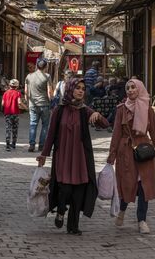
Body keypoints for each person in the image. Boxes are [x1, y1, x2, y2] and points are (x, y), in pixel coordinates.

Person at [36, 78, 108, 235]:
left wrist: (97, 115)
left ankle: (73, 226)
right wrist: (44, 154)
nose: (81, 91)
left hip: (80, 157)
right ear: (69, 89)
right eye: (77, 88)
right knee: (65, 189)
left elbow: (105, 124)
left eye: (83, 88)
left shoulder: (85, 110)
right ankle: (61, 210)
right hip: (63, 156)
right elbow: (50, 135)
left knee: (78, 192)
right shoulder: (59, 110)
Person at [107, 79, 155, 234]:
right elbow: (116, 134)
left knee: (144, 187)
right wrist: (112, 155)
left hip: (144, 151)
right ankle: (122, 210)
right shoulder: (121, 109)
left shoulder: (147, 109)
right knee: (128, 184)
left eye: (133, 87)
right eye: (128, 88)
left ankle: (142, 220)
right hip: (126, 151)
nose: (130, 90)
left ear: (140, 88)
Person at [25, 58, 53, 152]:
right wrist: (51, 101)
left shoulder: (29, 76)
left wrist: (27, 102)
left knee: (33, 124)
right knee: (45, 125)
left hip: (33, 104)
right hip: (44, 104)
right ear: (45, 66)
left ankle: (32, 145)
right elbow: (49, 92)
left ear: (37, 65)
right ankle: (41, 145)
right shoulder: (47, 76)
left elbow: (26, 91)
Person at [2, 79, 27, 152]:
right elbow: (19, 102)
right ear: (17, 86)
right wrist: (25, 107)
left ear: (9, 85)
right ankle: (13, 144)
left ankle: (7, 145)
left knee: (8, 129)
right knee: (15, 129)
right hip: (15, 113)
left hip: (7, 113)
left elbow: (2, 104)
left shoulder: (5, 93)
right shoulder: (17, 93)